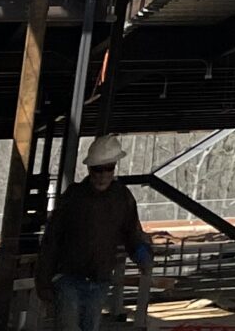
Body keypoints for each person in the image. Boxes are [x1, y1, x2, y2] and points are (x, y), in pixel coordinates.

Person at [35, 135, 152, 329]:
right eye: (98, 169)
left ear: (114, 167)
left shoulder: (122, 198)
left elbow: (131, 231)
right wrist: (44, 280)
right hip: (68, 277)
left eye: (108, 169)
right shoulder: (73, 197)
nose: (103, 175)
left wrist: (141, 252)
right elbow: (51, 239)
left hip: (99, 280)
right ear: (89, 169)